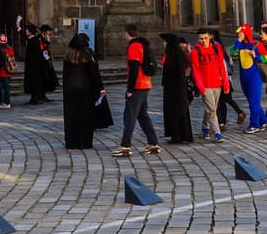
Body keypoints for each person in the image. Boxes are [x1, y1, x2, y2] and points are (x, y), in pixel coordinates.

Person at [112, 23, 161, 157]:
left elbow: (133, 68)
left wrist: (130, 88)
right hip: (146, 83)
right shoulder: (144, 45)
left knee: (130, 116)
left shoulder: (134, 46)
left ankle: (125, 145)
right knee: (142, 115)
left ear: (127, 33)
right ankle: (153, 143)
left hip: (137, 85)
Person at [62, 33, 107, 149]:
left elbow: (65, 75)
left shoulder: (68, 55)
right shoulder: (88, 54)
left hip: (71, 90)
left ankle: (72, 142)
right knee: (85, 116)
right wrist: (100, 88)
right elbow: (94, 73)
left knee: (72, 116)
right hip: (86, 89)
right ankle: (85, 142)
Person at [190, 27, 229, 142]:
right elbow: (195, 70)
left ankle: (205, 127)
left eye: (206, 38)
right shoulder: (195, 51)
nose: (203, 41)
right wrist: (200, 86)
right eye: (201, 39)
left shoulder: (217, 48)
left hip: (217, 83)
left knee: (212, 108)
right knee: (212, 110)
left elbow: (222, 66)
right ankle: (217, 134)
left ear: (210, 37)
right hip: (205, 85)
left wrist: (225, 83)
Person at [231, 23, 267, 133]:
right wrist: (238, 40)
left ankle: (254, 124)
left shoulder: (256, 45)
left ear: (246, 33)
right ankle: (264, 120)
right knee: (252, 101)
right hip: (243, 78)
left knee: (253, 102)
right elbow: (232, 51)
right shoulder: (239, 45)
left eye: (241, 33)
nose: (239, 35)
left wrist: (256, 56)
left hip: (254, 78)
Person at [160, 33, 193, 144]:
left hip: (175, 88)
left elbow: (174, 72)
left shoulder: (174, 54)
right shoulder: (175, 53)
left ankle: (178, 135)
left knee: (175, 111)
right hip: (177, 87)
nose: (163, 44)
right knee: (179, 111)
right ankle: (181, 135)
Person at [211, 28, 247, 128]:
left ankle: (224, 120)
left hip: (222, 77)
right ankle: (224, 120)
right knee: (224, 100)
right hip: (225, 76)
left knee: (223, 100)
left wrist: (226, 76)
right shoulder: (219, 46)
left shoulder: (216, 46)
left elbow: (225, 62)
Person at [24, 22, 46, 104]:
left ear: (30, 32)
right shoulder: (31, 40)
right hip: (31, 65)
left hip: (34, 65)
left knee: (34, 81)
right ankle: (33, 97)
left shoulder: (34, 41)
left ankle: (35, 98)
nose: (26, 31)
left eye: (27, 30)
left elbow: (35, 54)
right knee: (31, 81)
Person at [39, 24, 59, 99]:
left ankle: (44, 95)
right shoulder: (40, 40)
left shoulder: (46, 39)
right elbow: (43, 51)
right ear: (44, 32)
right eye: (48, 32)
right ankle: (41, 95)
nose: (49, 34)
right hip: (42, 63)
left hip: (47, 62)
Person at [0, 33, 16, 109]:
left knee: (5, 88)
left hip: (2, 71)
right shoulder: (10, 49)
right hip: (9, 70)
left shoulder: (1, 50)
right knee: (6, 87)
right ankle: (6, 102)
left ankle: (6, 103)